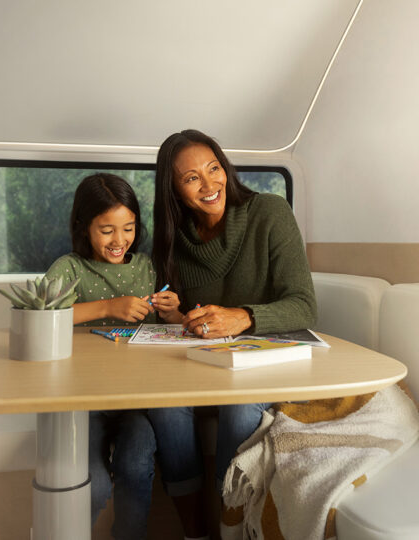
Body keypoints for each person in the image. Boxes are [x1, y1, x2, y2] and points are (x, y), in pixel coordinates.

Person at [147, 129, 317, 539]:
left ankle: (231, 527)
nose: (210, 185)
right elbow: (181, 313)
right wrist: (177, 316)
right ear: (173, 190)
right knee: (165, 406)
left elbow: (304, 305)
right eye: (191, 178)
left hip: (266, 360)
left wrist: (242, 317)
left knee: (239, 408)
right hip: (205, 362)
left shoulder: (270, 213)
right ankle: (194, 531)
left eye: (214, 168)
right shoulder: (172, 242)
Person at [45, 173, 183, 539]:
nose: (119, 240)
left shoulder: (148, 268)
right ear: (83, 226)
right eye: (107, 230)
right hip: (81, 403)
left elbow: (167, 331)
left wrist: (170, 313)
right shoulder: (69, 269)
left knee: (136, 466)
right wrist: (108, 306)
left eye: (129, 228)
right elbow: (41, 315)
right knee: (96, 486)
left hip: (135, 402)